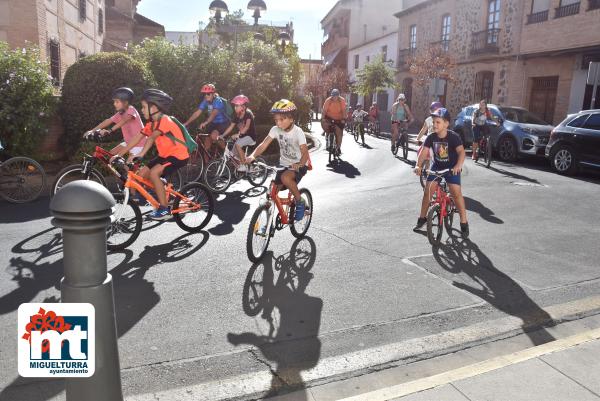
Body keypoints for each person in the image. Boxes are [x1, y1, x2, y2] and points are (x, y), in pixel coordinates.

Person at [114, 89, 189, 220]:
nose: (142, 110)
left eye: (143, 107)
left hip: (178, 156)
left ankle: (164, 209)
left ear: (153, 107)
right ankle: (164, 191)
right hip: (164, 155)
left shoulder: (165, 120)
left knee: (154, 173)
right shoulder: (151, 124)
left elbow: (152, 137)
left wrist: (141, 154)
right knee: (142, 175)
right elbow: (136, 139)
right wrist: (119, 155)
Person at [247, 99, 310, 223]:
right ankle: (269, 216)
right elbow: (263, 145)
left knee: (286, 178)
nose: (278, 122)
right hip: (284, 165)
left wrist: (300, 164)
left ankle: (300, 201)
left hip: (299, 165)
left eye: (282, 119)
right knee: (273, 190)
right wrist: (252, 156)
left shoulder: (298, 132)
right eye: (276, 119)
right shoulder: (275, 130)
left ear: (291, 119)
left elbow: (305, 153)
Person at [413, 108, 469, 239]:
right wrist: (418, 165)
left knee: (456, 193)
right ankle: (422, 218)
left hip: (451, 168)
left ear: (446, 124)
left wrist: (458, 166)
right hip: (437, 166)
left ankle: (464, 221)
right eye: (433, 122)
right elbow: (423, 153)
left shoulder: (454, 137)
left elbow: (462, 152)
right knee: (428, 192)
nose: (434, 125)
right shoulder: (431, 137)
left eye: (438, 122)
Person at [84, 87, 145, 162]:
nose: (114, 104)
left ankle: (126, 172)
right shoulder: (120, 113)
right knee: (110, 155)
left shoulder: (131, 110)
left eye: (117, 102)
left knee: (129, 166)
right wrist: (92, 130)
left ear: (125, 102)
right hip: (128, 142)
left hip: (139, 143)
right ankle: (121, 169)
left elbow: (124, 120)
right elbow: (108, 121)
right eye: (114, 102)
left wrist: (109, 130)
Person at [184, 84, 229, 152]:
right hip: (213, 122)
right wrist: (186, 123)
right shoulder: (205, 101)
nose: (206, 96)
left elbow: (213, 114)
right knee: (206, 143)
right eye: (204, 94)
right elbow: (197, 113)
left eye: (208, 94)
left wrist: (205, 123)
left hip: (223, 123)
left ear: (213, 94)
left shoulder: (218, 101)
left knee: (213, 136)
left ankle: (226, 151)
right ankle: (206, 162)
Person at [222, 95, 257, 172]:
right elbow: (230, 127)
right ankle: (246, 163)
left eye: (237, 106)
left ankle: (244, 165)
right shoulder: (237, 116)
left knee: (238, 144)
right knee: (233, 153)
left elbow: (247, 127)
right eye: (235, 106)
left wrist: (238, 135)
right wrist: (222, 135)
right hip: (242, 137)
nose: (235, 107)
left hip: (250, 137)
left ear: (243, 107)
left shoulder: (248, 114)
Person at [321, 89, 347, 156]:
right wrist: (323, 118)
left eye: (336, 96)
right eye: (333, 96)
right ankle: (327, 139)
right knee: (326, 126)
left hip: (339, 118)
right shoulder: (328, 100)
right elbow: (324, 110)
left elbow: (344, 110)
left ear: (338, 96)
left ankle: (338, 147)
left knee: (340, 134)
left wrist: (344, 118)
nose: (334, 97)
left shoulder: (342, 100)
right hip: (329, 117)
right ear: (331, 95)